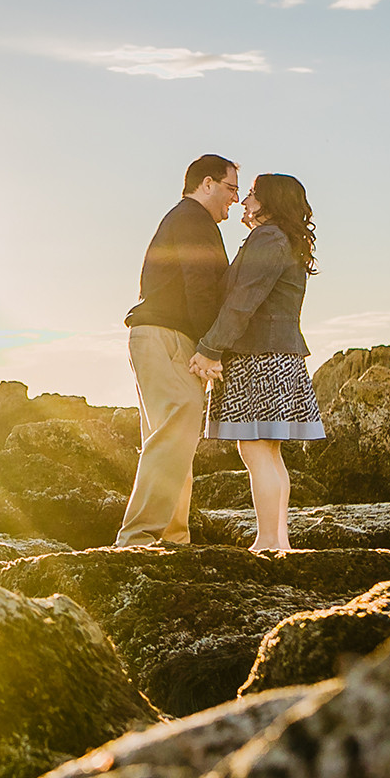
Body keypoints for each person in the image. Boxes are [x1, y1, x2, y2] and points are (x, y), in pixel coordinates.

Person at [190, 172, 323, 553]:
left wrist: (211, 348)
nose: (245, 201)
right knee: (268, 451)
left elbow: (243, 299)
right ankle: (278, 539)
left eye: (251, 195)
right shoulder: (288, 240)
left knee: (255, 450)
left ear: (269, 201)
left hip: (259, 357)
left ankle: (267, 540)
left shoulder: (268, 238)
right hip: (282, 357)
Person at [116, 154, 237, 545]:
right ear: (207, 184)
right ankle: (137, 540)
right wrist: (212, 349)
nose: (234, 199)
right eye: (231, 188)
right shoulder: (193, 220)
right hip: (168, 338)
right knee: (174, 435)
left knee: (172, 438)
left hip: (156, 337)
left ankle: (172, 539)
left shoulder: (182, 218)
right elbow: (200, 286)